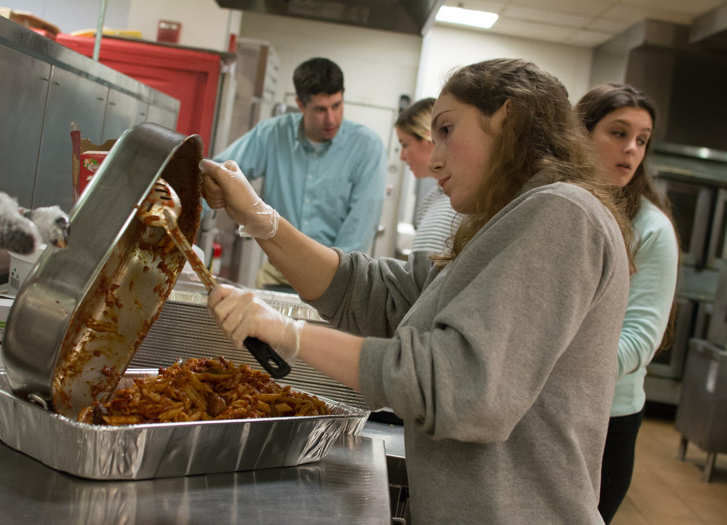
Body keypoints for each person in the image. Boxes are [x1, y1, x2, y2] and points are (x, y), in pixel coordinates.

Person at [203, 58, 632, 523]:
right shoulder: (505, 222)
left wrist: (292, 334)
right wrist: (259, 218)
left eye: (447, 130)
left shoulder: (561, 212)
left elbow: (461, 387)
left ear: (508, 117)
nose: (434, 157)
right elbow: (379, 293)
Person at [576, 84, 679, 524]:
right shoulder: (555, 203)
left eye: (642, 139)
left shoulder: (651, 229)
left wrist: (550, 373)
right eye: (618, 133)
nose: (631, 149)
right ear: (579, 133)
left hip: (605, 419)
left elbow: (639, 340)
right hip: (532, 406)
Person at [213, 57, 387, 289]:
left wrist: (330, 282)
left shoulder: (367, 147)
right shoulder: (272, 135)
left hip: (335, 280)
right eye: (320, 109)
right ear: (301, 104)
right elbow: (218, 173)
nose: (331, 119)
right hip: (277, 273)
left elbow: (358, 232)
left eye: (336, 105)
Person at [394, 97, 463, 252]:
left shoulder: (464, 201)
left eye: (405, 144)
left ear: (429, 139)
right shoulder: (429, 200)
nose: (402, 157)